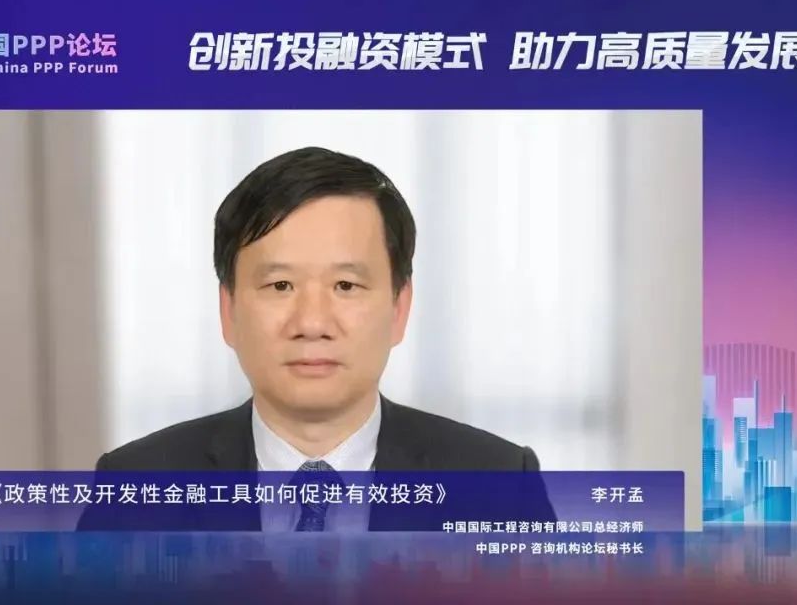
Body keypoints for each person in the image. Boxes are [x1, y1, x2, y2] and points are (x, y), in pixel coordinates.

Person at [79, 146, 553, 531]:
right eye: (280, 285)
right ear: (229, 311)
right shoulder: (136, 489)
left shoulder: (500, 484)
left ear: (399, 308)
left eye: (345, 285)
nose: (311, 322)